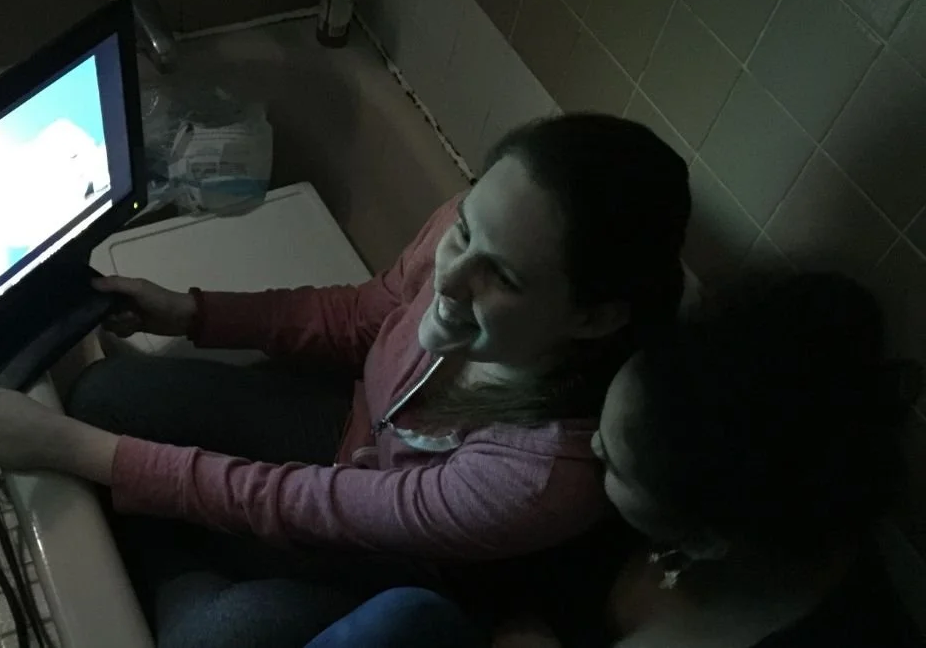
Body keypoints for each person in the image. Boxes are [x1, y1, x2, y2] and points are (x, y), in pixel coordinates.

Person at [0, 113, 693, 647]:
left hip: (397, 557)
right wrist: (188, 311)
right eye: (464, 232)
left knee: (210, 637)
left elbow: (313, 504)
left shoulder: (541, 471)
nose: (452, 276)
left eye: (505, 277)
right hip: (346, 441)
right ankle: (179, 540)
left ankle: (173, 544)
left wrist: (73, 451)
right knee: (105, 399)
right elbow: (365, 315)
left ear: (592, 319)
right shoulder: (475, 224)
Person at [313, 273, 923, 648]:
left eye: (614, 466)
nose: (590, 449)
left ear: (703, 537)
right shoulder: (700, 456)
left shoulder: (824, 627)